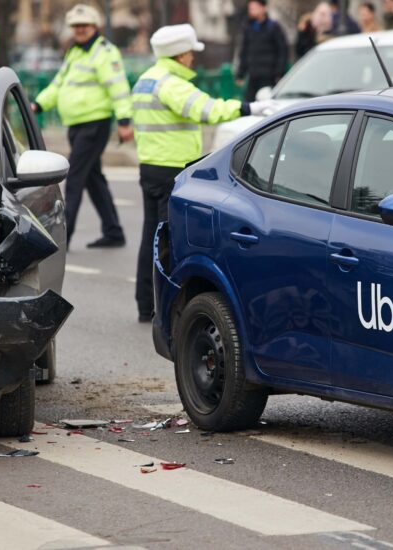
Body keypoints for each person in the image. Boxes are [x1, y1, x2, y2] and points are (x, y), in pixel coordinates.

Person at [132, 24, 273, 321]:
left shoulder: (146, 80)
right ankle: (164, 309)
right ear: (180, 54)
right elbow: (208, 111)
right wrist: (250, 108)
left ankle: (145, 304)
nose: (193, 59)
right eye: (190, 53)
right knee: (168, 242)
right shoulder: (172, 84)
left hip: (149, 165)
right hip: (172, 167)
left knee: (150, 238)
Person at [32, 4, 131, 249]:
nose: (80, 30)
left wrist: (125, 121)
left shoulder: (104, 52)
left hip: (94, 124)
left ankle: (62, 238)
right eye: (76, 26)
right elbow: (58, 85)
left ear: (95, 26)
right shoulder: (75, 52)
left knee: (75, 177)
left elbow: (118, 86)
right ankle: (113, 231)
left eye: (84, 26)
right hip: (77, 125)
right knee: (93, 178)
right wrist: (38, 105)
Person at [236, 0, 288, 102]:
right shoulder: (248, 28)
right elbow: (244, 52)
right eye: (250, 9)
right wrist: (240, 74)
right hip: (253, 75)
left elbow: (282, 50)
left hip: (269, 76)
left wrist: (279, 72)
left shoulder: (273, 27)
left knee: (268, 103)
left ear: (263, 8)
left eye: (254, 8)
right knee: (249, 104)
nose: (251, 11)